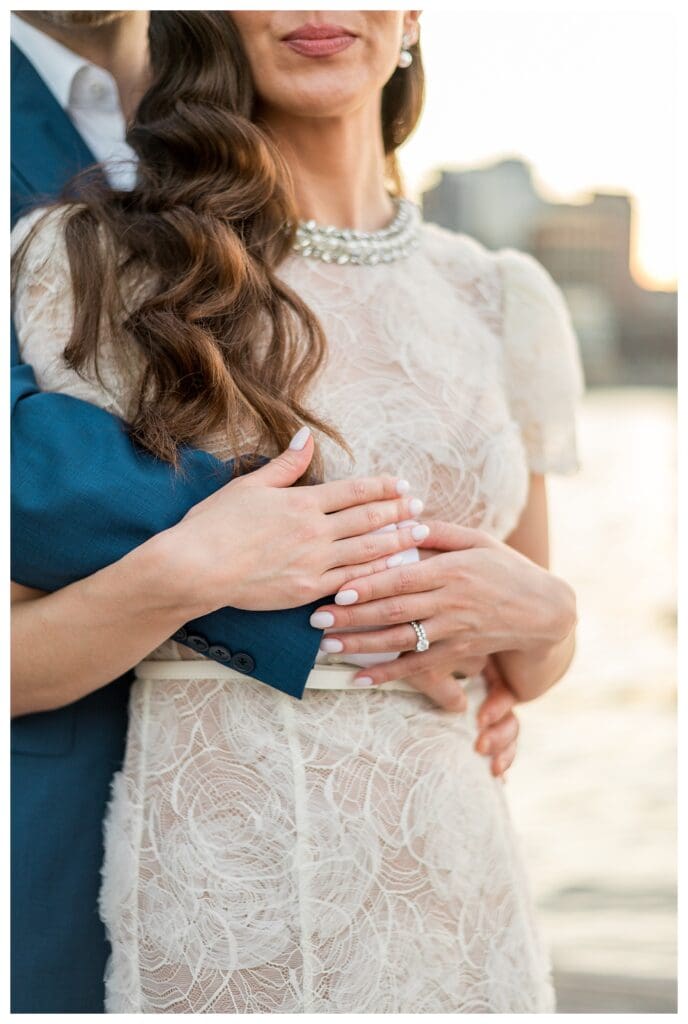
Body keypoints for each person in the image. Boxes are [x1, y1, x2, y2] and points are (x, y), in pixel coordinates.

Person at [9, 9, 580, 1013]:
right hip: (230, 893)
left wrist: (551, 619)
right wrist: (187, 567)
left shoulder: (500, 297)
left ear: (409, 16)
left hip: (457, 888)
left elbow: (511, 674)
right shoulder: (105, 264)